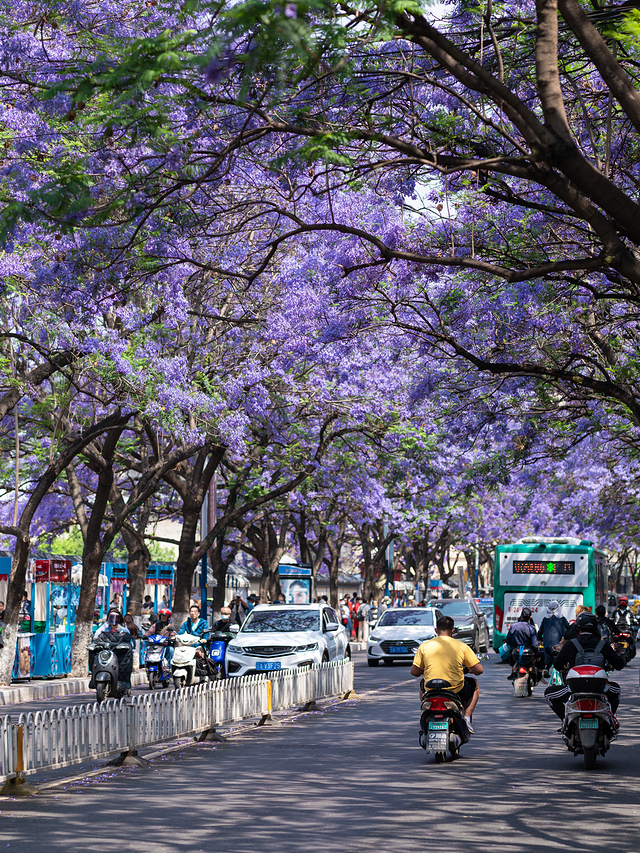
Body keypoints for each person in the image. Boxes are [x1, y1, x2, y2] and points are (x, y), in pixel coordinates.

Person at [411, 614, 484, 734]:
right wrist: (471, 670)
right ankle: (466, 718)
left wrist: (425, 669)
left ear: (436, 630)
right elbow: (479, 670)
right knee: (474, 684)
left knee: (422, 683)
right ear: (453, 631)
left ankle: (425, 710)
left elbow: (414, 672)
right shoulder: (461, 646)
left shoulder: (424, 646)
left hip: (431, 689)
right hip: (456, 690)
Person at [544, 613, 624, 721]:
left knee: (549, 694)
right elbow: (619, 664)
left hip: (573, 689)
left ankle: (566, 720)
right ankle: (611, 719)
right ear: (595, 628)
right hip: (600, 689)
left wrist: (564, 668)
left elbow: (557, 664)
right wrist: (611, 665)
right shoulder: (603, 645)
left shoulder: (570, 644)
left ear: (578, 628)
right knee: (616, 690)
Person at [538, 601, 569, 674]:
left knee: (547, 655)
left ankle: (547, 667)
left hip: (548, 646)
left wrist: (540, 639)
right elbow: (569, 629)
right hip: (559, 646)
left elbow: (540, 632)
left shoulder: (545, 619)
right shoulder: (562, 619)